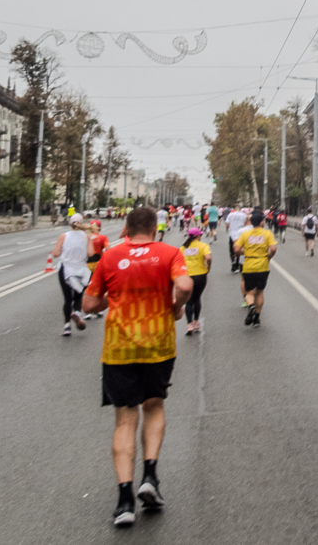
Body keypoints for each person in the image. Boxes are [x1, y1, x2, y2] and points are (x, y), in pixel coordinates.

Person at [81, 206, 192, 528]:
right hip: (158, 346)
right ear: (156, 228)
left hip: (119, 349)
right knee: (154, 407)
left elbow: (88, 304)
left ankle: (124, 501)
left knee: (124, 419)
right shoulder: (170, 253)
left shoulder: (109, 258)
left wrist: (113, 297)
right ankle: (150, 477)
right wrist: (176, 307)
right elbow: (185, 286)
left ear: (126, 228)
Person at [233, 211, 277, 327]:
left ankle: (251, 306)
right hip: (262, 265)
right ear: (262, 222)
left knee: (249, 291)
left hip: (248, 266)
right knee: (260, 291)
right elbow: (273, 249)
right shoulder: (267, 234)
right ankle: (257, 317)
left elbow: (236, 249)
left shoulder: (245, 235)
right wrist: (268, 257)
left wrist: (244, 253)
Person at [53, 214, 92, 336]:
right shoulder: (87, 237)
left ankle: (67, 327)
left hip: (66, 270)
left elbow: (55, 254)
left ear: (70, 223)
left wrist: (64, 251)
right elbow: (90, 253)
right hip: (80, 270)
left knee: (67, 298)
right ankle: (77, 313)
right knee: (78, 296)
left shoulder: (63, 236)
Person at [181, 228, 212, 335]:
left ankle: (189, 325)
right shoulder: (203, 246)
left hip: (187, 276)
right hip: (200, 275)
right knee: (197, 298)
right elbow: (208, 257)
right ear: (198, 236)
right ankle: (196, 322)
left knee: (188, 301)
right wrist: (208, 267)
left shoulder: (183, 247)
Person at [225, 206, 248, 272]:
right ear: (240, 209)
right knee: (239, 248)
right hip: (241, 233)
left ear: (235, 209)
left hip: (232, 233)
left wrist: (228, 229)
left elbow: (227, 224)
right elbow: (245, 223)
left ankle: (233, 261)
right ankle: (237, 263)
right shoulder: (244, 215)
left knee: (232, 249)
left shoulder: (230, 215)